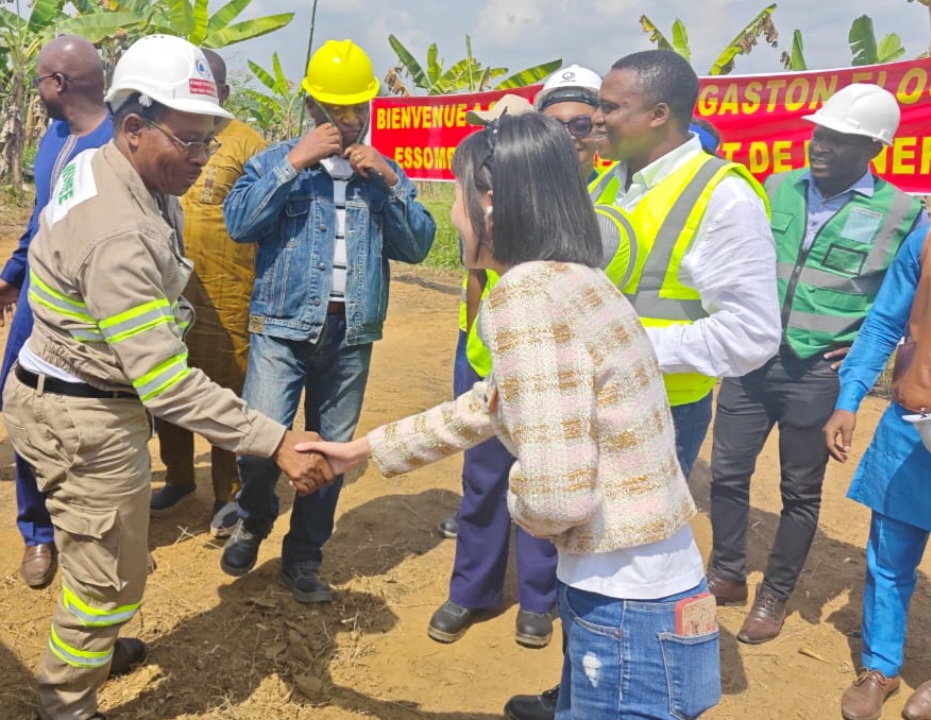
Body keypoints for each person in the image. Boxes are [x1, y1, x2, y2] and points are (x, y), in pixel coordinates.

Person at [297, 111, 721, 720]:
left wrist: (516, 500)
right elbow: (492, 403)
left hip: (624, 608)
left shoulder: (522, 299)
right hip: (655, 582)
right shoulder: (576, 278)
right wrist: (362, 451)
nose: (453, 215)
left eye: (460, 198)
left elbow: (556, 500)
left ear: (491, 204)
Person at [1, 35, 332, 720]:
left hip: (71, 394)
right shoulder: (121, 233)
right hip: (84, 416)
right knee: (109, 577)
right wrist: (275, 441)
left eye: (208, 141)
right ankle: (66, 700)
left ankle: (93, 642)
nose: (202, 159)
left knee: (100, 554)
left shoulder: (111, 166)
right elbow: (168, 385)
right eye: (188, 142)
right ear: (133, 128)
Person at [504, 48, 781, 720]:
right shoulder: (607, 183)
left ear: (660, 114)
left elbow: (751, 335)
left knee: (613, 562)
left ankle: (606, 689)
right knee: (581, 555)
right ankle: (580, 686)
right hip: (586, 405)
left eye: (610, 107)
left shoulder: (722, 196)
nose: (595, 120)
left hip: (660, 418)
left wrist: (626, 349)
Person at [707, 84, 927, 645]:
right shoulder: (776, 188)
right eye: (819, 133)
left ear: (872, 148)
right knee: (728, 474)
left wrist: (858, 352)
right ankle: (727, 574)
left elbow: (901, 300)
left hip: (816, 373)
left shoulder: (901, 213)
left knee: (799, 493)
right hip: (752, 361)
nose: (820, 145)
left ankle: (773, 596)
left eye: (837, 138)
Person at [219, 39, 436, 604]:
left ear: (367, 107)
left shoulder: (384, 173)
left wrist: (388, 182)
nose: (344, 121)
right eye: (332, 110)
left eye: (354, 110)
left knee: (331, 453)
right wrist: (295, 162)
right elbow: (239, 223)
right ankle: (254, 518)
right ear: (311, 107)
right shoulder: (273, 161)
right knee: (256, 443)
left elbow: (418, 246)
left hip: (350, 334)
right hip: (281, 328)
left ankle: (303, 559)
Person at [426, 92, 557, 648]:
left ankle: (538, 598)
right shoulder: (480, 222)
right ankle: (472, 590)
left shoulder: (553, 225)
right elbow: (474, 286)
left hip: (537, 370)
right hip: (480, 360)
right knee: (481, 481)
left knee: (540, 481)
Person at [0, 36, 112, 589]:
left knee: (96, 416)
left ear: (58, 84)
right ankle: (38, 534)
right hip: (36, 298)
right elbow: (41, 217)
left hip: (95, 309)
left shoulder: (122, 142)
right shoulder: (54, 137)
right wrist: (11, 275)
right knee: (24, 407)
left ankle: (101, 529)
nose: (37, 88)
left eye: (40, 79)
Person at [151, 49, 268, 538]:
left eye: (209, 88)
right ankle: (179, 477)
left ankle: (229, 494)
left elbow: (266, 215)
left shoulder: (248, 144)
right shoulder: (169, 137)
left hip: (227, 297)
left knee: (224, 397)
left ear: (224, 93)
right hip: (170, 292)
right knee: (167, 390)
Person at [824, 228, 931, 718]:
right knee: (888, 556)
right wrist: (849, 400)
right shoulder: (926, 239)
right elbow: (884, 321)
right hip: (914, 424)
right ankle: (880, 668)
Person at [535, 64, 602, 183]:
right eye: (555, 127)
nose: (568, 137)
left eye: (580, 126)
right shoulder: (521, 193)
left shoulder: (622, 192)